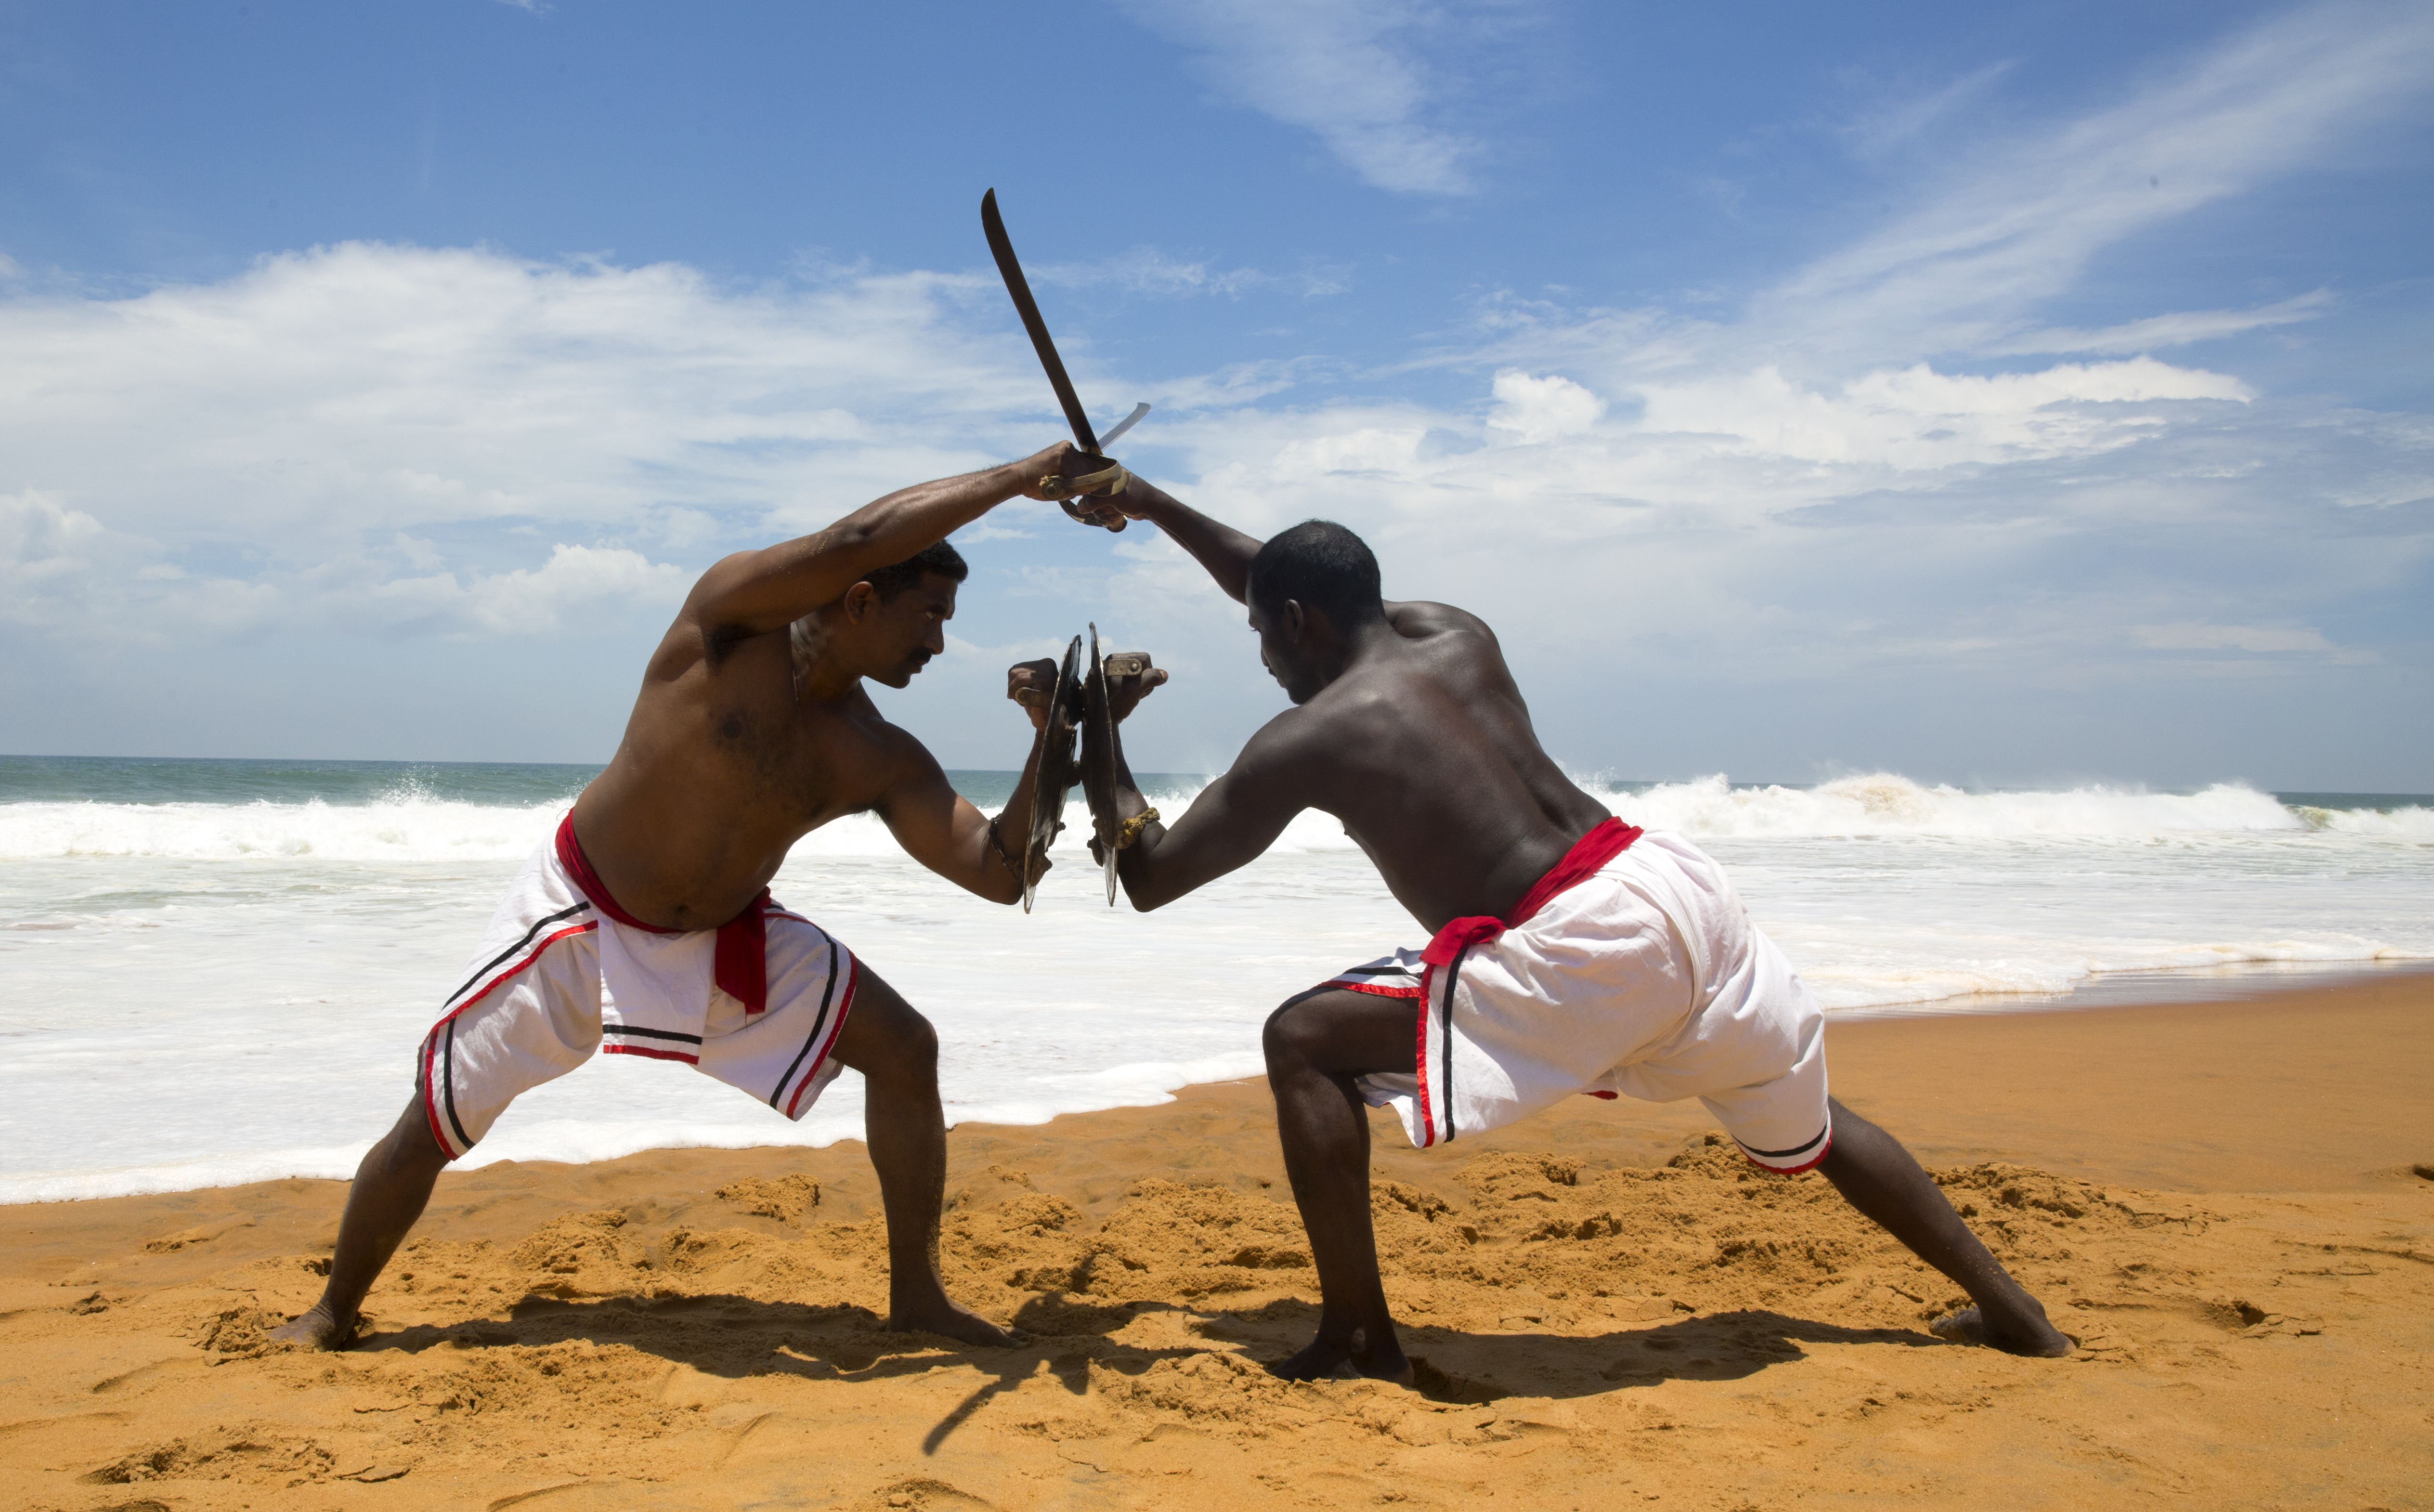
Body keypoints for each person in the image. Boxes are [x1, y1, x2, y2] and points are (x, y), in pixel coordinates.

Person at [1066, 478, 2072, 1381]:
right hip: (1677, 893)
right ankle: (2015, 1313)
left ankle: (1359, 1340)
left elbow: (1149, 879)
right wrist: (1151, 506)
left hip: (1582, 946)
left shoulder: (1308, 739)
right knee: (1806, 1115)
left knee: (1302, 1042)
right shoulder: (1460, 633)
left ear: (1297, 625)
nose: (1266, 663)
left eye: (1264, 638)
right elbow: (1301, 584)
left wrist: (1098, 730)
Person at [274, 443, 1124, 1352]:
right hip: (580, 913)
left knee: (907, 1047)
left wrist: (1058, 735)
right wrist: (1020, 478)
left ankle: (918, 1298)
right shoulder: (729, 626)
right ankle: (335, 1311)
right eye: (929, 615)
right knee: (436, 1118)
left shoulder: (877, 752)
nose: (940, 644)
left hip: (727, 934)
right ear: (862, 600)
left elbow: (999, 873)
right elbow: (859, 534)